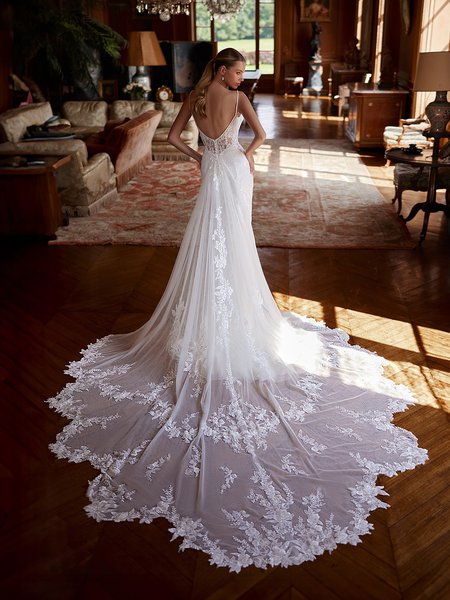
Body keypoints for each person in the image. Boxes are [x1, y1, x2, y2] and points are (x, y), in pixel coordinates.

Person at [48, 48, 427, 572]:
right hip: (235, 173)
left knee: (211, 243)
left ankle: (209, 314)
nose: (244, 75)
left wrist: (203, 156)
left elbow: (175, 138)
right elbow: (262, 137)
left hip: (211, 177)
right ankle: (239, 314)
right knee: (237, 244)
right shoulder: (241, 99)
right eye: (240, 68)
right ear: (225, 70)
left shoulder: (197, 97)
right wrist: (239, 153)